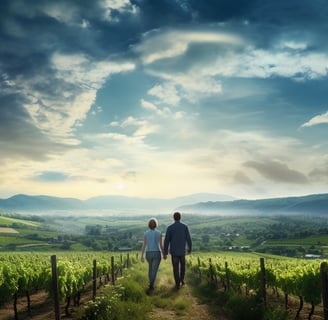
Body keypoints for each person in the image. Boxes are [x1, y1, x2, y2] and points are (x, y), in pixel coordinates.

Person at [163, 211, 192, 290]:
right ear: (180, 217)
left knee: (175, 267)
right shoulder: (184, 227)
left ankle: (177, 283)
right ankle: (182, 280)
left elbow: (166, 241)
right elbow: (188, 239)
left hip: (174, 252)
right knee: (182, 267)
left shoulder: (170, 228)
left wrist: (165, 252)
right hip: (182, 251)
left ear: (173, 218)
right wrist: (190, 249)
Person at [141, 218, 164, 293]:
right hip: (157, 253)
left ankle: (150, 284)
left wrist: (142, 255)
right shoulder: (159, 233)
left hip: (148, 253)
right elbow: (161, 245)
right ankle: (151, 285)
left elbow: (144, 245)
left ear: (149, 225)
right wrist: (164, 254)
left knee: (150, 269)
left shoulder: (146, 233)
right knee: (154, 270)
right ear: (156, 225)